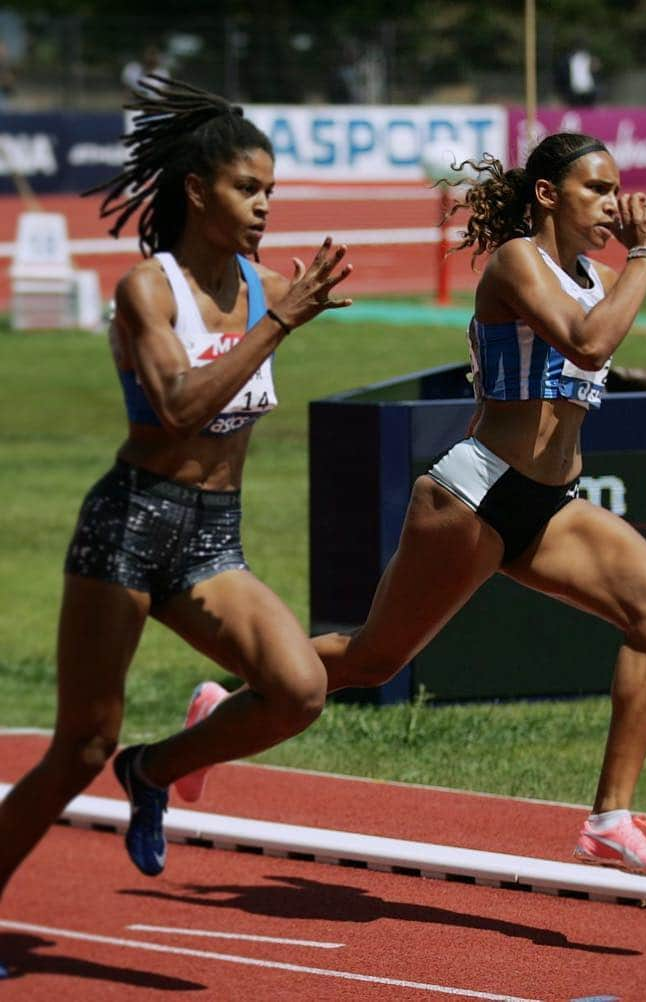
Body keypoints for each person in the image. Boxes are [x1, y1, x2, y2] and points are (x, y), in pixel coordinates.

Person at [0, 75, 352, 916]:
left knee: (298, 688)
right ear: (198, 190)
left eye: (272, 189)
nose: (265, 205)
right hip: (129, 522)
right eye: (248, 188)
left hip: (210, 535)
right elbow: (179, 406)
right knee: (82, 741)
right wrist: (279, 325)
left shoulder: (265, 284)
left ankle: (152, 770)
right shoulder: (147, 289)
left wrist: (275, 313)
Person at [310, 132, 646, 875]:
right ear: (547, 195)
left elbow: (590, 337)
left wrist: (626, 268)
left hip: (551, 504)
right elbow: (586, 344)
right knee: (372, 660)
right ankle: (235, 696)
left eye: (616, 190)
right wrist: (644, 257)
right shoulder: (520, 261)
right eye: (597, 189)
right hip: (476, 494)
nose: (615, 204)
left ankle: (609, 820)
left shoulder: (587, 275)